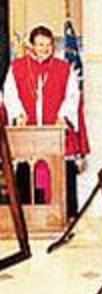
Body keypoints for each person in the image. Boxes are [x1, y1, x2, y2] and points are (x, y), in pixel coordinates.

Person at [3, 25, 89, 218]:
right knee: (27, 169)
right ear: (32, 46)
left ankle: (65, 216)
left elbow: (72, 96)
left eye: (48, 45)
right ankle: (28, 217)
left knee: (62, 171)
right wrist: (18, 115)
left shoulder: (63, 68)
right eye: (40, 45)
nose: (45, 49)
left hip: (56, 134)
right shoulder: (17, 67)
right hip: (29, 134)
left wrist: (64, 116)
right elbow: (10, 95)